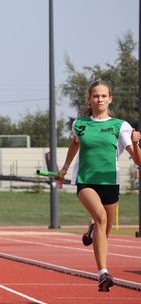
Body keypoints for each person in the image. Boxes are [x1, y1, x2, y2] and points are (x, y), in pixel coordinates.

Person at [58, 80, 141, 292]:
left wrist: (137, 143)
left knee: (105, 232)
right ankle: (103, 273)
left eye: (104, 96)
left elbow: (138, 160)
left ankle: (94, 231)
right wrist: (65, 168)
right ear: (89, 99)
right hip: (86, 181)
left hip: (110, 183)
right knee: (101, 217)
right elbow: (74, 145)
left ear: (110, 99)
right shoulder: (80, 124)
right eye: (96, 96)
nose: (100, 99)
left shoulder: (120, 126)